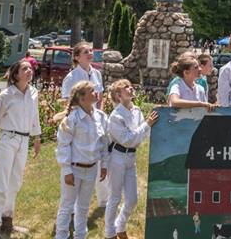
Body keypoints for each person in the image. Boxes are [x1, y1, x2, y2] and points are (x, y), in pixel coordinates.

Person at [0, 59, 42, 239]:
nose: (29, 71)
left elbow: (34, 116)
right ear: (16, 74)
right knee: (0, 183)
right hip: (7, 140)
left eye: (30, 68)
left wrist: (37, 137)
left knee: (15, 182)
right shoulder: (5, 96)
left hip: (23, 141)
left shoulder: (33, 93)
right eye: (25, 69)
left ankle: (7, 222)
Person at [54, 80, 110, 239]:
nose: (96, 92)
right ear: (81, 98)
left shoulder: (101, 117)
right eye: (92, 91)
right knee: (67, 206)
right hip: (74, 169)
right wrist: (66, 170)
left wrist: (104, 165)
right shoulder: (72, 119)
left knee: (83, 207)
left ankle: (80, 235)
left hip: (91, 169)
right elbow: (63, 145)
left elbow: (104, 143)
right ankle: (61, 236)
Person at [104, 79, 157, 239]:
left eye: (130, 86)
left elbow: (142, 136)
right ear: (119, 96)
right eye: (126, 87)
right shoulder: (115, 116)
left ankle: (120, 226)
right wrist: (146, 125)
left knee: (133, 199)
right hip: (117, 157)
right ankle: (110, 233)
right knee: (114, 197)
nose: (130, 88)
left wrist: (146, 127)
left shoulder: (137, 111)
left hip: (131, 157)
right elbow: (128, 139)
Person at [61, 42, 108, 207]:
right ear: (76, 57)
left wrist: (98, 117)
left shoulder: (97, 73)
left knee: (99, 158)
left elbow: (100, 98)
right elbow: (67, 102)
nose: (90, 53)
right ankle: (72, 206)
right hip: (79, 123)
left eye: (91, 51)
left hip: (95, 121)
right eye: (85, 51)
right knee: (80, 160)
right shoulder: (72, 77)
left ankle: (103, 200)